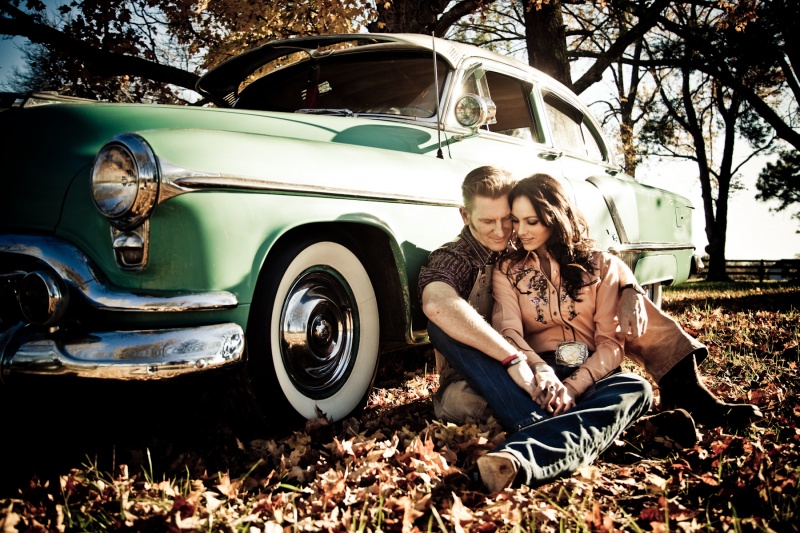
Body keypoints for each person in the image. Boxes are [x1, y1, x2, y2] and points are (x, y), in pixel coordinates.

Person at [419, 166, 760, 440]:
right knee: (466, 403)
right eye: (488, 221)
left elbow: (597, 261)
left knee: (629, 322)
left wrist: (630, 287)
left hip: (565, 362)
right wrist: (522, 363)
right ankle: (634, 432)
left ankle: (686, 389)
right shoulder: (461, 258)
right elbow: (440, 305)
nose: (504, 230)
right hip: (496, 371)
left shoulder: (525, 245)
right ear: (466, 216)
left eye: (509, 219)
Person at [426, 173, 662, 490]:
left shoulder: (600, 264)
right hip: (533, 373)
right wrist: (537, 370)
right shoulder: (507, 268)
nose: (516, 232)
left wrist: (574, 387)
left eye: (529, 222)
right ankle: (550, 439)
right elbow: (507, 329)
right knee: (451, 357)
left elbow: (611, 343)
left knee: (635, 387)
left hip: (589, 372)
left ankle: (524, 448)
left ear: (554, 218)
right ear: (466, 216)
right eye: (516, 221)